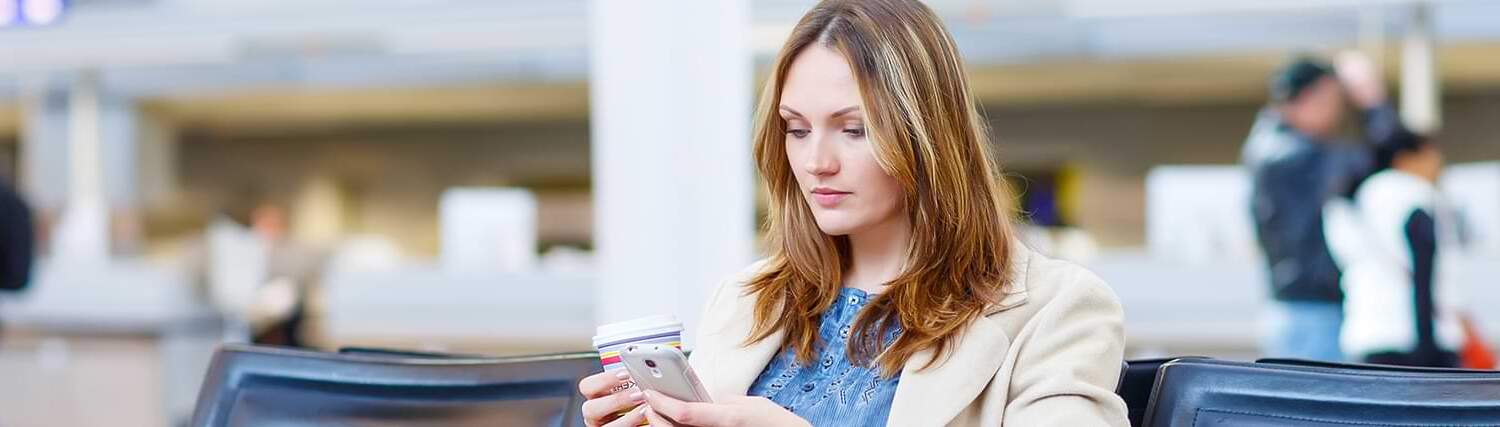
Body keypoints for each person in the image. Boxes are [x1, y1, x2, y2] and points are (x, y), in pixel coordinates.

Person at [578, 1, 1129, 426]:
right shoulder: (745, 302)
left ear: (927, 136)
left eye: (854, 129)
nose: (816, 162)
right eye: (796, 129)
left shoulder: (1058, 310)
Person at [1241, 53, 1404, 361]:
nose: (1339, 110)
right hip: (1312, 313)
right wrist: (1372, 102)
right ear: (1310, 97)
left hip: (1303, 310)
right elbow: (1383, 159)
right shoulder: (1290, 155)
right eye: (1334, 99)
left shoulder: (1272, 146)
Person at [1325, 131, 1464, 367]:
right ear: (1404, 159)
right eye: (1430, 155)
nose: (1438, 164)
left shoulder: (1349, 199)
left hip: (1368, 334)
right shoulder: (1414, 194)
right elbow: (1425, 273)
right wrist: (1428, 350)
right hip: (1417, 340)